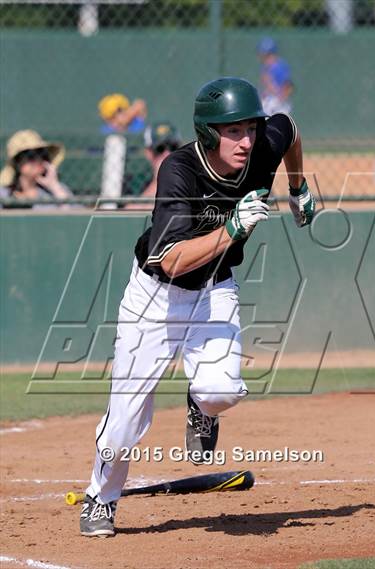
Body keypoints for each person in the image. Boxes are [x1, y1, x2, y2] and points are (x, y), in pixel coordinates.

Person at [80, 77, 316, 537]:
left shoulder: (264, 144)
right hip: (155, 297)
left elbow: (290, 128)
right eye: (233, 131)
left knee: (220, 391)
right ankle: (100, 498)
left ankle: (200, 407)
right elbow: (169, 260)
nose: (246, 140)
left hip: (214, 289)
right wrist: (231, 228)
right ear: (208, 132)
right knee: (126, 422)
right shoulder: (179, 170)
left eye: (250, 127)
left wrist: (298, 184)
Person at [0, 130, 73, 208]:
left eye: (42, 154)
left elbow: (75, 215)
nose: (39, 160)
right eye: (30, 156)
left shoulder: (56, 190)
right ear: (17, 162)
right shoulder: (3, 194)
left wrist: (54, 186)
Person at [257, 37, 294, 116]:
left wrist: (281, 99)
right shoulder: (265, 67)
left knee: (286, 124)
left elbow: (288, 85)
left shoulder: (279, 67)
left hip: (278, 101)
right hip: (269, 100)